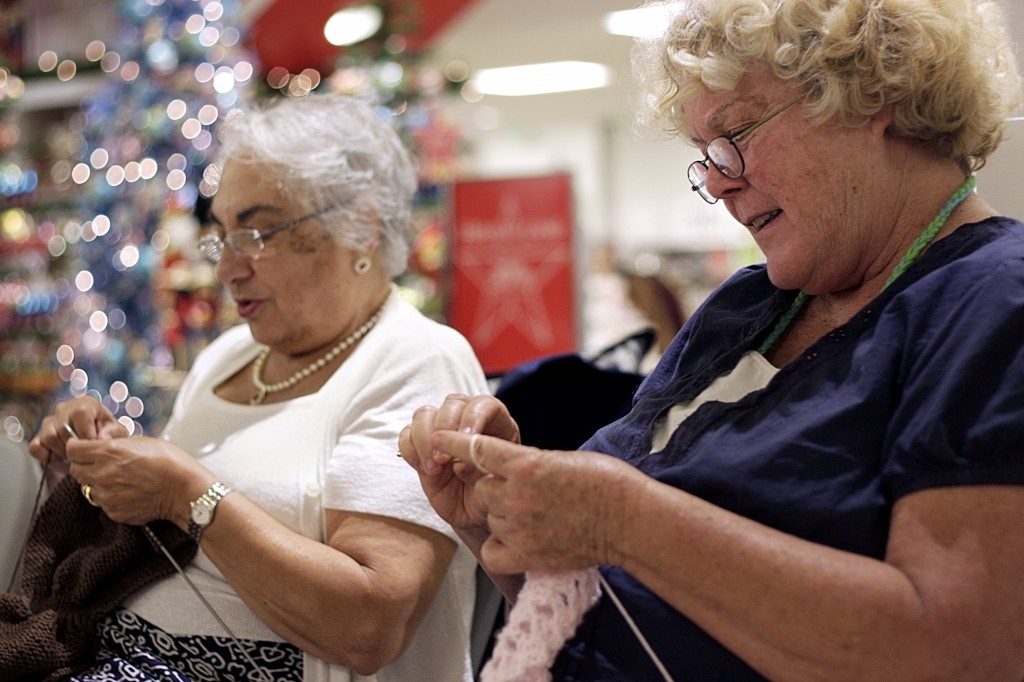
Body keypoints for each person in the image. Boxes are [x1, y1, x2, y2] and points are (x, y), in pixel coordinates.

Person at [400, 0, 1024, 679]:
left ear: (875, 94)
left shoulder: (994, 301)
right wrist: (503, 510)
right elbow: (602, 605)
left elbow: (960, 652)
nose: (720, 182)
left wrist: (623, 519)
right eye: (705, 156)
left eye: (736, 135)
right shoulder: (753, 306)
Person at [23, 93, 488, 682]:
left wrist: (186, 492)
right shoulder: (229, 355)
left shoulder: (413, 360)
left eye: (257, 233)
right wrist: (106, 463)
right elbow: (168, 536)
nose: (226, 269)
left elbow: (371, 625)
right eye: (221, 237)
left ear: (361, 230)